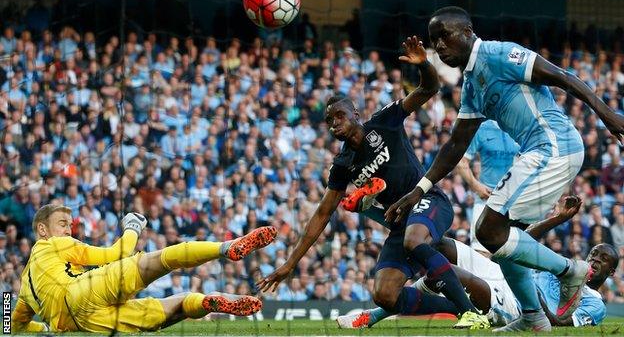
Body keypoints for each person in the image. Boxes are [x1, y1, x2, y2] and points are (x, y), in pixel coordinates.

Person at [385, 6, 624, 331]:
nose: (439, 46)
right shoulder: (471, 86)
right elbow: (455, 145)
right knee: (505, 243)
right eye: (433, 40)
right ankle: (533, 318)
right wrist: (419, 190)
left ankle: (570, 270)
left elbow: (564, 78)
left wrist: (608, 115)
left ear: (467, 33)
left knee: (487, 231)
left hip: (556, 146)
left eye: (444, 36)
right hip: (542, 153)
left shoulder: (500, 54)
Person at [257, 36, 489, 329]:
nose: (334, 123)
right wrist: (290, 264)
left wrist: (424, 65)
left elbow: (430, 88)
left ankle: (471, 312)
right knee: (385, 294)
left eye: (339, 115)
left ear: (356, 114)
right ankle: (460, 308)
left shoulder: (384, 121)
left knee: (415, 240)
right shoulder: (342, 165)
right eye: (329, 121)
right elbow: (321, 214)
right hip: (401, 224)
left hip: (428, 201)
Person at [337, 196, 617, 329]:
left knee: (446, 277)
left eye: (603, 259)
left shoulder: (595, 302)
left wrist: (538, 306)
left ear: (611, 272)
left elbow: (563, 324)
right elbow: (520, 245)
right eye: (594, 253)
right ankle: (376, 213)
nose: (595, 258)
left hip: (516, 303)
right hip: (500, 271)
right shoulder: (562, 269)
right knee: (436, 243)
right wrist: (558, 218)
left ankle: (372, 315)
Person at [11, 204, 277, 333]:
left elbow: (11, 325)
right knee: (161, 260)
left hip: (82, 323)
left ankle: (207, 302)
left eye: (70, 225)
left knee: (171, 309)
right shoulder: (53, 244)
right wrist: (133, 226)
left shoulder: (24, 286)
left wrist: (44, 329)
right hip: (83, 289)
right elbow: (116, 253)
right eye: (62, 224)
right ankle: (226, 248)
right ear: (42, 230)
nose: (69, 230)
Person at [456, 120, 519, 254]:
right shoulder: (482, 129)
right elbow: (461, 162)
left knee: (511, 256)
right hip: (486, 200)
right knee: (481, 254)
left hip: (512, 203)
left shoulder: (518, 127)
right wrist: (476, 187)